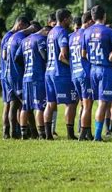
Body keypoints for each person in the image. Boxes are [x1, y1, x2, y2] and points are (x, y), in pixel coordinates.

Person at [82, 5, 112, 141]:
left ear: (92, 17)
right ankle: (97, 136)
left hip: (93, 69)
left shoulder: (86, 32)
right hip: (105, 69)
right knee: (103, 103)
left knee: (95, 102)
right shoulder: (109, 32)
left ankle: (92, 133)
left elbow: (83, 54)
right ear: (105, 16)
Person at [44, 9, 78, 140]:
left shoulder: (51, 32)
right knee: (71, 102)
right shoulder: (62, 32)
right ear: (64, 19)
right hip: (61, 73)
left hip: (49, 72)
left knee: (50, 103)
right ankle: (70, 134)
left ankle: (48, 135)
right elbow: (62, 56)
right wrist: (73, 65)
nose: (71, 21)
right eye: (69, 18)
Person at [15, 23, 49, 139]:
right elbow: (45, 56)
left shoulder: (25, 41)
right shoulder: (40, 39)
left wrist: (26, 66)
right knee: (39, 107)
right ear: (44, 31)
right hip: (37, 77)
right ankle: (42, 134)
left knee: (25, 106)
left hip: (26, 77)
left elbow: (17, 58)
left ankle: (23, 133)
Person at [4, 19, 35, 139]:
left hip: (8, 74)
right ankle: (34, 132)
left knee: (13, 104)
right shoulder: (21, 38)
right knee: (27, 105)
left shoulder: (11, 37)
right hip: (17, 75)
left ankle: (11, 132)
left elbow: (5, 56)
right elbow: (19, 57)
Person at [0, 16, 29, 139]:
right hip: (10, 74)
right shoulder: (10, 37)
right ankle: (10, 131)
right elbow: (5, 55)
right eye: (25, 28)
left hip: (5, 74)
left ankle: (9, 132)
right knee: (12, 104)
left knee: (10, 103)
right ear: (21, 24)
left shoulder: (7, 36)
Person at [70, 12, 94, 141]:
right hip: (85, 73)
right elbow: (86, 54)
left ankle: (85, 130)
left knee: (83, 104)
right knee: (88, 104)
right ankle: (83, 133)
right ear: (89, 21)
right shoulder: (86, 34)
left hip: (75, 73)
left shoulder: (72, 35)